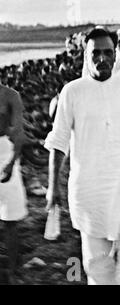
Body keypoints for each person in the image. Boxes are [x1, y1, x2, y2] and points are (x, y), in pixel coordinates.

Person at [45, 28, 120, 285]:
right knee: (97, 263)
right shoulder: (72, 91)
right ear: (86, 56)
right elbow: (58, 142)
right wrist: (53, 187)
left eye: (108, 53)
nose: (102, 59)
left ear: (115, 56)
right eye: (96, 53)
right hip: (89, 189)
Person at [0, 84, 28, 284]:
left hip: (4, 154)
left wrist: (11, 163)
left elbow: (18, 134)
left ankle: (12, 271)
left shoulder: (11, 95)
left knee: (10, 220)